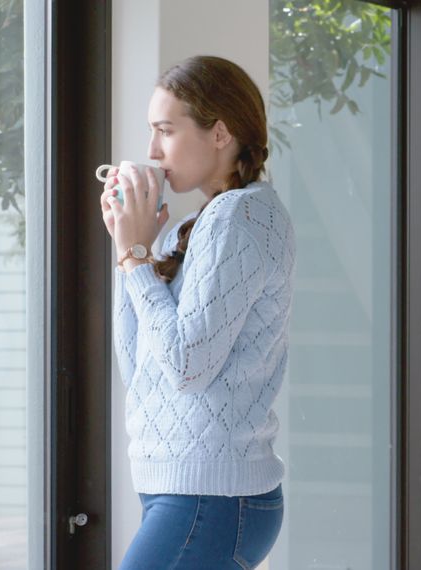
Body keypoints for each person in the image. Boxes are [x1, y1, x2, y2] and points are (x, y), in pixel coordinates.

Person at [99, 55, 296, 570]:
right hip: (188, 492)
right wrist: (128, 246)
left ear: (220, 133)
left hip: (210, 497)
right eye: (151, 131)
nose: (151, 150)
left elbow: (188, 367)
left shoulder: (240, 216)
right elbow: (140, 368)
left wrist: (136, 260)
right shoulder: (199, 224)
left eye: (166, 130)